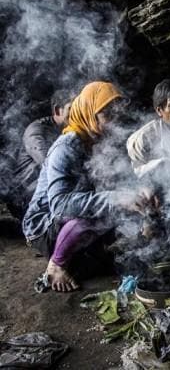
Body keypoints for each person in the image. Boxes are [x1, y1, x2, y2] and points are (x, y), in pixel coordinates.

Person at [22, 82, 152, 292]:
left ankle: (79, 251)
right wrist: (116, 198)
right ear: (89, 112)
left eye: (117, 112)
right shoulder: (65, 148)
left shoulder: (101, 140)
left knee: (108, 253)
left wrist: (141, 189)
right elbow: (60, 206)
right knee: (106, 210)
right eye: (106, 113)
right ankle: (56, 265)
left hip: (73, 220)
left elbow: (124, 179)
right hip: (44, 226)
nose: (115, 120)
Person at [9, 90, 73, 219]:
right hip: (26, 199)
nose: (78, 113)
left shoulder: (69, 131)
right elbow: (49, 164)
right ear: (57, 110)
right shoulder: (36, 131)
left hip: (47, 193)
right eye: (72, 109)